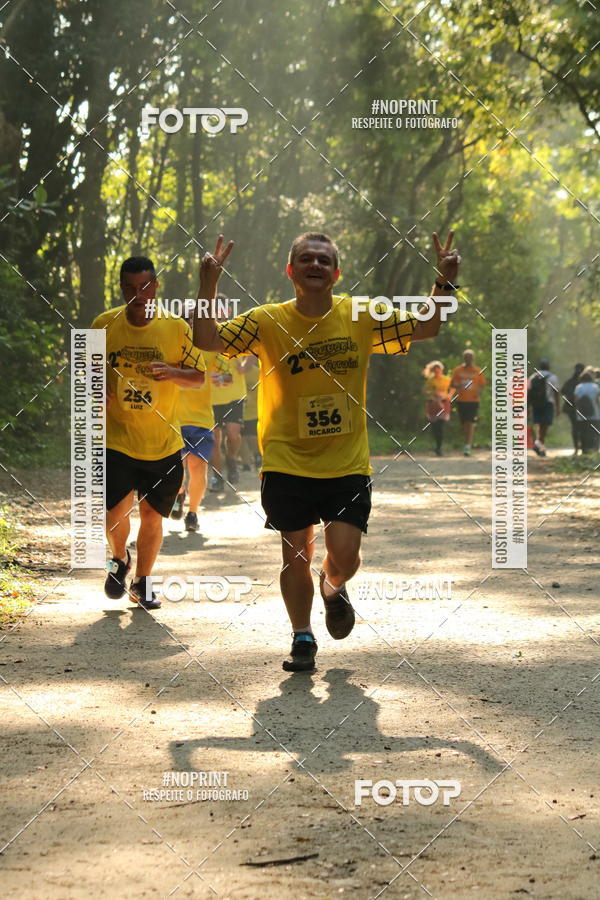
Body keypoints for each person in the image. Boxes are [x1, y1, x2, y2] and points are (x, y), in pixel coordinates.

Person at [193, 230, 461, 672]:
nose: (315, 265)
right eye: (306, 259)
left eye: (323, 260)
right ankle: (301, 636)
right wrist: (208, 285)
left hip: (346, 460)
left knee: (346, 554)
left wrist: (444, 283)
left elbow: (428, 325)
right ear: (291, 271)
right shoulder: (267, 321)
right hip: (286, 458)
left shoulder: (360, 314)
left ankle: (333, 586)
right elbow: (207, 341)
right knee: (294, 551)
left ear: (336, 273)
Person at [92, 256, 205, 609]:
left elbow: (198, 376)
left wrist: (172, 372)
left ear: (155, 287)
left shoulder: (176, 327)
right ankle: (119, 558)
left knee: (153, 516)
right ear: (121, 288)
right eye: (129, 288)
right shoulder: (103, 324)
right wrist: (98, 391)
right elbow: (88, 373)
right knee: (116, 513)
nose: (137, 294)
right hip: (118, 439)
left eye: (144, 287)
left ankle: (143, 581)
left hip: (163, 443)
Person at [172, 350, 225, 532]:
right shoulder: (170, 346)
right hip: (172, 419)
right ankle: (179, 493)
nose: (190, 321)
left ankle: (192, 513)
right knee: (177, 468)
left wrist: (221, 378)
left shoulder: (209, 352)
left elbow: (229, 376)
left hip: (201, 420)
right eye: (186, 319)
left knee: (197, 466)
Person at [209, 299, 247, 490]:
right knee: (214, 440)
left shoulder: (237, 333)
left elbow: (243, 367)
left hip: (234, 395)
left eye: (223, 308)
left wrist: (246, 363)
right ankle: (217, 477)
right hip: (211, 397)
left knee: (233, 435)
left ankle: (231, 459)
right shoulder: (204, 334)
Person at [450, 349, 486, 456]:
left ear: (473, 359)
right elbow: (452, 384)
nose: (468, 359)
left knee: (470, 422)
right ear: (464, 358)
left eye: (470, 357)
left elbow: (482, 384)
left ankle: (467, 445)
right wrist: (459, 386)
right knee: (464, 423)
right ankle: (467, 441)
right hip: (461, 400)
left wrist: (478, 393)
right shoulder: (458, 370)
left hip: (473, 400)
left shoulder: (477, 371)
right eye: (466, 357)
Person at [527, 360, 560, 457]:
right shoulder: (553, 377)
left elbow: (529, 394)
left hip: (535, 404)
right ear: (548, 367)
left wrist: (527, 407)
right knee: (544, 426)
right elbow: (556, 393)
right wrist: (557, 407)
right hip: (548, 404)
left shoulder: (533, 377)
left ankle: (539, 446)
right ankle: (538, 444)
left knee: (539, 424)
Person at [423, 361, 452, 456]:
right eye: (435, 371)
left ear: (441, 370)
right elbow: (425, 391)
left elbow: (453, 387)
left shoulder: (447, 379)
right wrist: (432, 394)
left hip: (444, 404)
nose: (437, 372)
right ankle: (437, 445)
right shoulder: (430, 380)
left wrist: (449, 395)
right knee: (435, 426)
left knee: (440, 425)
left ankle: (439, 447)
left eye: (438, 370)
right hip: (433, 404)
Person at [239, 355, 261, 471]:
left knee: (252, 437)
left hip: (253, 411)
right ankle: (245, 464)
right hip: (239, 411)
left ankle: (257, 455)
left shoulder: (257, 372)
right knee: (241, 438)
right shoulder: (237, 373)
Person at [573, 367, 600, 454]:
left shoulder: (578, 387)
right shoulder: (595, 387)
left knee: (583, 432)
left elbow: (576, 400)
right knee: (594, 431)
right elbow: (597, 400)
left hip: (581, 414)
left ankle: (584, 449)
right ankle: (595, 448)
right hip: (594, 414)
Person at [560, 362, 585, 454]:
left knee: (575, 428)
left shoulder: (569, 381)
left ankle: (576, 448)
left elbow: (562, 392)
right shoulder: (584, 382)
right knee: (582, 428)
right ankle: (582, 448)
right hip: (582, 408)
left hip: (571, 408)